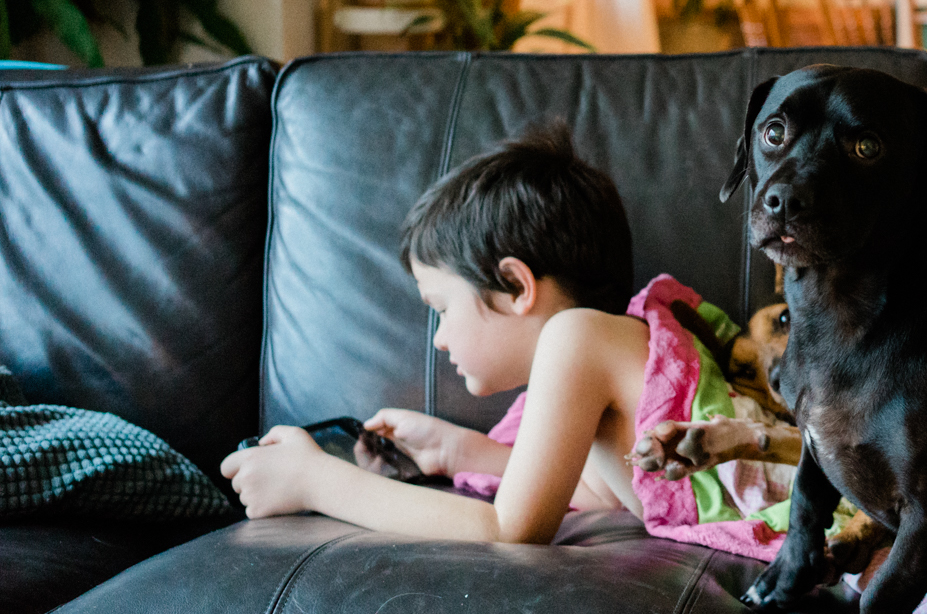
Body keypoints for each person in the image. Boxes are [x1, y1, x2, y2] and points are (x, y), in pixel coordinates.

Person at [222, 123, 788, 546]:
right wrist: (459, 450)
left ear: (517, 286)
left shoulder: (576, 339)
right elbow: (596, 493)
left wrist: (316, 480)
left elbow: (509, 529)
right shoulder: (615, 359)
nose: (439, 340)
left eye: (440, 308)